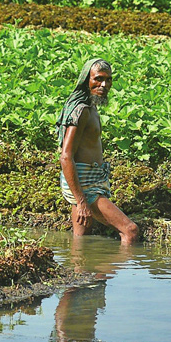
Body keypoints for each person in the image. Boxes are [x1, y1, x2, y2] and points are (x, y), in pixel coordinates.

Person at [55, 58, 139, 245]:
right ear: (86, 80)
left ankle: (81, 270)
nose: (104, 84)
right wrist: (82, 201)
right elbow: (66, 156)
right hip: (84, 185)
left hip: (88, 181)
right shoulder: (81, 111)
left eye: (108, 80)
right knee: (130, 231)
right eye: (98, 79)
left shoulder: (90, 106)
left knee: (81, 240)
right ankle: (125, 274)